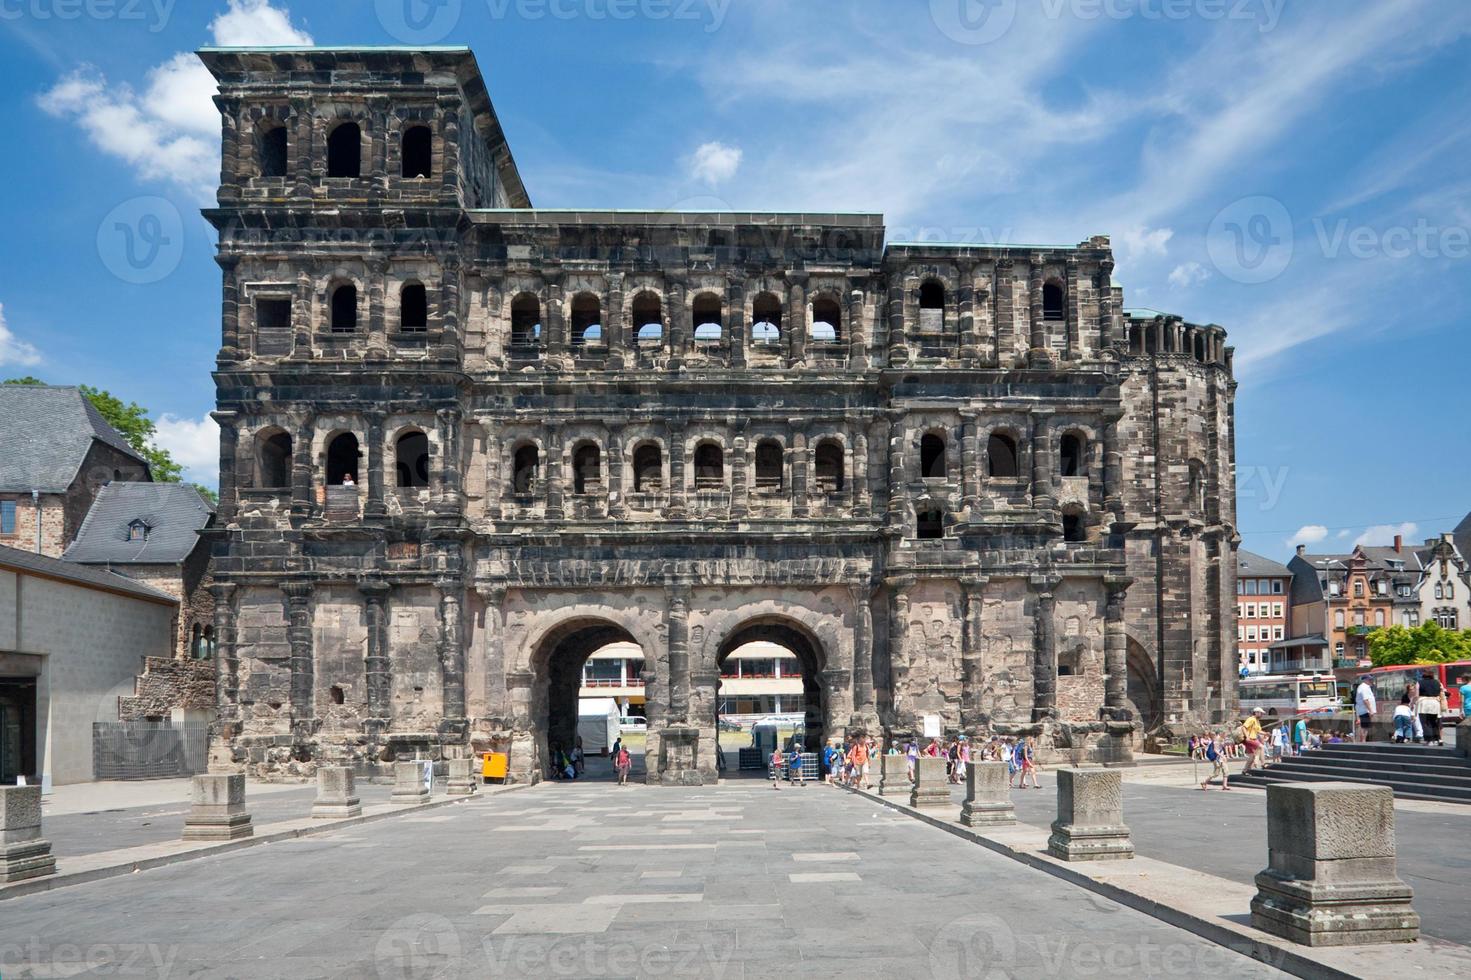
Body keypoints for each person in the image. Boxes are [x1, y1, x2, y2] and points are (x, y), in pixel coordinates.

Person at [1416, 669, 1444, 746]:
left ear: (1423, 676)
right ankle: (1437, 739)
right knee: (1434, 722)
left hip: (1423, 703)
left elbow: (1416, 695)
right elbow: (1442, 692)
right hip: (1435, 703)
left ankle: (1429, 740)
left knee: (1425, 722)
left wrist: (1413, 703)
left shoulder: (1419, 683)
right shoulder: (1438, 682)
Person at [1240, 709, 1265, 773]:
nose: (1262, 715)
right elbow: (1243, 727)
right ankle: (1263, 764)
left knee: (1252, 757)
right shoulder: (1251, 719)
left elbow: (1258, 731)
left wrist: (1265, 733)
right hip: (1250, 738)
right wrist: (1247, 736)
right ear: (1256, 713)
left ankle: (1245, 770)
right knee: (1261, 747)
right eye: (1261, 713)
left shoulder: (1257, 721)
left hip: (1252, 738)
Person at [1353, 675, 1377, 744]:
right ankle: (1363, 740)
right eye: (1370, 680)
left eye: (1371, 680)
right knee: (1364, 726)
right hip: (1364, 710)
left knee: (1365, 725)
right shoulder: (1364, 688)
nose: (1371, 681)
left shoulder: (1365, 687)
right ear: (1365, 680)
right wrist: (1370, 710)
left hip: (1364, 709)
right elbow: (1365, 700)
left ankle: (1363, 740)